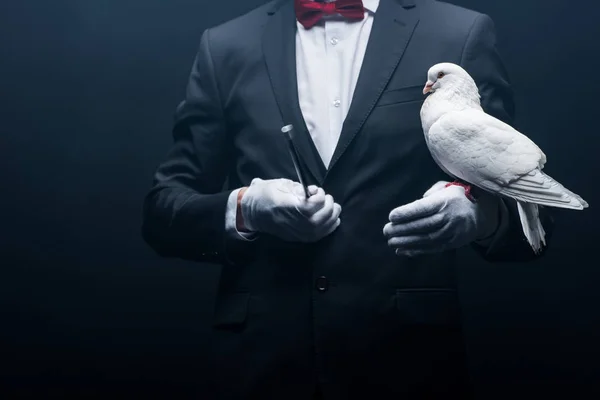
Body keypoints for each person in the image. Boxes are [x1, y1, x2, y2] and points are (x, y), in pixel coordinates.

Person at [141, 0, 553, 398]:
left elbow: (528, 210)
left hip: (409, 368)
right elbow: (163, 213)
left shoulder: (459, 33)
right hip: (261, 369)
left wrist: (480, 215)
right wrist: (246, 208)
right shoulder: (226, 45)